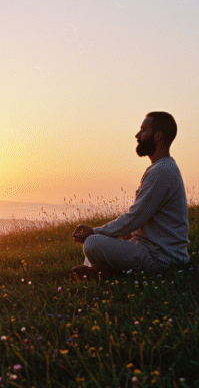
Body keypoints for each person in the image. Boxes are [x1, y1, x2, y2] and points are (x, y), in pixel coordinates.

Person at [71, 111, 190, 278]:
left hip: (162, 259)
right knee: (99, 240)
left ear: (157, 136)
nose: (137, 135)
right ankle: (102, 272)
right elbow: (138, 223)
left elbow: (134, 219)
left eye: (143, 130)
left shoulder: (162, 172)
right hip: (148, 249)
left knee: (93, 242)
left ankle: (104, 273)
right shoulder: (161, 169)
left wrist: (94, 232)